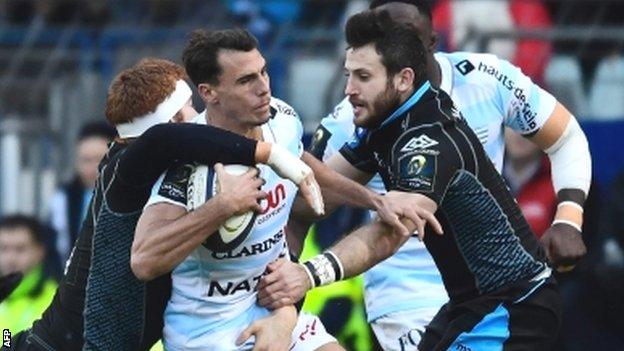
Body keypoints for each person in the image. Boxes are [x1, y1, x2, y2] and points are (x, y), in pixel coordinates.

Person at [282, 1, 592, 349]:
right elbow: (312, 193)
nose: (348, 90)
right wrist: (265, 149)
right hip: (426, 297)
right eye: (348, 75)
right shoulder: (377, 120)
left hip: (511, 303)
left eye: (363, 77)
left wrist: (308, 275)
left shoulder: (430, 137)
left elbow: (392, 230)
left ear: (405, 73)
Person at [134, 28, 437, 351]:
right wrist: (222, 207)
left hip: (276, 312)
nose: (263, 87)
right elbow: (144, 259)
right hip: (210, 332)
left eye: (263, 72)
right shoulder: (185, 161)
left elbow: (302, 162)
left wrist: (374, 200)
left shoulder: (281, 118)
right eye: (245, 80)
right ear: (209, 93)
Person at [8, 58, 320, 351]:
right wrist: (270, 155)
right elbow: (163, 140)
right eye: (189, 108)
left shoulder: (149, 164)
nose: (199, 118)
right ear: (172, 121)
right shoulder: (128, 165)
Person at [47, 121, 116, 269]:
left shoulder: (131, 195)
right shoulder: (63, 199)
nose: (93, 168)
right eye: (86, 160)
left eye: (100, 159)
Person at [0, 215, 57, 335]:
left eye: (20, 249)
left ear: (40, 251)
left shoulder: (56, 300)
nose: (10, 258)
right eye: (3, 248)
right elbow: (7, 340)